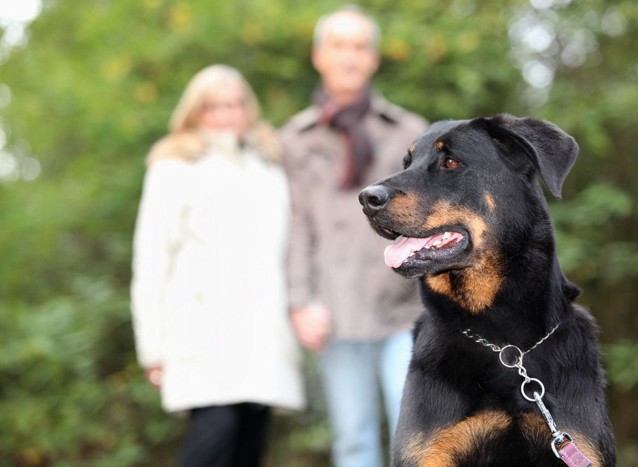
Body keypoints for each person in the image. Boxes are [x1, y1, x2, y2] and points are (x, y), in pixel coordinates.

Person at [130, 64, 304, 467]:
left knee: (249, 442)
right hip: (203, 330)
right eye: (213, 107)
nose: (226, 115)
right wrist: (152, 347)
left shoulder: (268, 165)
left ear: (248, 108)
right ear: (195, 112)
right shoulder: (173, 167)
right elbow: (151, 259)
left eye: (234, 104)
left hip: (261, 331)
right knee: (215, 433)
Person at [280, 6, 429, 467]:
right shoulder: (295, 139)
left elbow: (433, 218)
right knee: (352, 440)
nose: (350, 56)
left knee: (418, 435)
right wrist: (300, 301)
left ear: (374, 59)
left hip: (405, 308)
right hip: (336, 312)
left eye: (360, 47)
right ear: (319, 55)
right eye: (339, 46)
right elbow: (296, 226)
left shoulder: (408, 131)